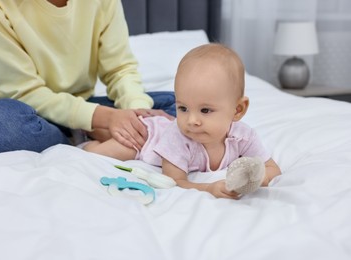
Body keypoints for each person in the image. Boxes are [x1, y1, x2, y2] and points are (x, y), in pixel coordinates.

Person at [0, 0, 175, 154]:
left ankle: (89, 130)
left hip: (81, 104)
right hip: (18, 109)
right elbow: (24, 90)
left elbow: (120, 69)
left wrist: (136, 114)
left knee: (188, 105)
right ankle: (83, 138)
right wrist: (107, 118)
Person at [83, 43, 282, 199]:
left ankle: (101, 131)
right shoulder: (178, 137)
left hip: (158, 129)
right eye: (183, 108)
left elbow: (272, 169)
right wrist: (208, 188)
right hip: (146, 137)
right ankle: (89, 134)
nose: (191, 121)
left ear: (238, 110)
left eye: (205, 110)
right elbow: (175, 180)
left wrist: (255, 178)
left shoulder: (243, 137)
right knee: (102, 153)